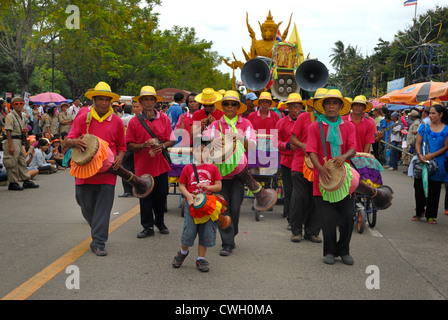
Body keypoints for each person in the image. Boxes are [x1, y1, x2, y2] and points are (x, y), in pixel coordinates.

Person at [65, 81, 126, 256]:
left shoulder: (117, 122)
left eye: (107, 100)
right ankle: (99, 228)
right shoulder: (82, 118)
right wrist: (75, 142)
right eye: (100, 99)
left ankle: (99, 241)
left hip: (107, 172)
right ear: (93, 100)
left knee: (104, 207)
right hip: (83, 171)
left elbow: (122, 147)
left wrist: (119, 159)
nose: (103, 103)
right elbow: (67, 141)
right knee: (84, 203)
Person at [306, 89, 356, 265]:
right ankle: (329, 251)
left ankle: (344, 251)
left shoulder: (348, 126)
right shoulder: (315, 127)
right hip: (323, 179)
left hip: (344, 180)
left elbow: (352, 148)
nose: (331, 106)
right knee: (327, 220)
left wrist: (343, 157)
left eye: (335, 103)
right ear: (323, 106)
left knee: (348, 217)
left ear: (341, 106)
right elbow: (311, 151)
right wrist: (320, 168)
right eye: (328, 103)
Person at [204, 90, 257, 256]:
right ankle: (227, 243)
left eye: (233, 104)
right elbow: (204, 142)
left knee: (235, 208)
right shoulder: (215, 125)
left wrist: (240, 137)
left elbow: (254, 146)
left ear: (238, 107)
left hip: (240, 174)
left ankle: (231, 235)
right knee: (223, 208)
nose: (229, 107)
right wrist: (212, 141)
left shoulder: (246, 124)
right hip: (219, 175)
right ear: (223, 106)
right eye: (226, 104)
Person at [126, 86, 176, 238]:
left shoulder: (164, 119)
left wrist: (162, 146)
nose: (148, 102)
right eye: (145, 99)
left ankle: (159, 222)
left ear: (155, 102)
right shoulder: (134, 122)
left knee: (161, 195)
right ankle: (147, 226)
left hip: (160, 165)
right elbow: (129, 144)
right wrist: (143, 145)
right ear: (141, 102)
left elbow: (171, 140)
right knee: (145, 196)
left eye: (151, 99)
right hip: (142, 166)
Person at [172, 136, 223, 272]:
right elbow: (182, 184)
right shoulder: (188, 168)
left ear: (210, 152)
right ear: (193, 152)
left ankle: (201, 258)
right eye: (198, 151)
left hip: (208, 206)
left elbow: (218, 185)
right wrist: (188, 195)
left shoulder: (213, 168)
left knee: (206, 232)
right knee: (188, 232)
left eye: (204, 151)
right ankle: (183, 253)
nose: (201, 154)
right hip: (191, 205)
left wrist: (209, 188)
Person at [412, 104, 448, 224]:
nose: (430, 115)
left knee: (435, 190)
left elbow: (446, 147)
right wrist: (420, 155)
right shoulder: (423, 127)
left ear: (441, 114)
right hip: (422, 162)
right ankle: (419, 212)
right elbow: (417, 142)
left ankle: (431, 215)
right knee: (419, 188)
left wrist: (431, 156)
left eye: (433, 113)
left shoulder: (446, 129)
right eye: (430, 113)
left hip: (438, 164)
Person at [275, 93, 302, 227]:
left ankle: (303, 219)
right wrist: (287, 145)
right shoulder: (281, 122)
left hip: (304, 163)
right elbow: (275, 142)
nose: (293, 109)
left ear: (301, 107)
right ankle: (291, 220)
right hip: (287, 162)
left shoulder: (307, 121)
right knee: (289, 191)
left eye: (296, 106)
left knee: (302, 192)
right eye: (291, 106)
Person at [2, 96, 39, 190]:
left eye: (21, 104)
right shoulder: (10, 116)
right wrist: (10, 146)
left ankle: (26, 180)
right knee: (12, 161)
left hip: (19, 140)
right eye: (16, 104)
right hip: (12, 140)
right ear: (12, 105)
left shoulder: (22, 115)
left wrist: (25, 133)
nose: (19, 106)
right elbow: (8, 131)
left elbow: (22, 128)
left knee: (22, 160)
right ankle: (13, 182)